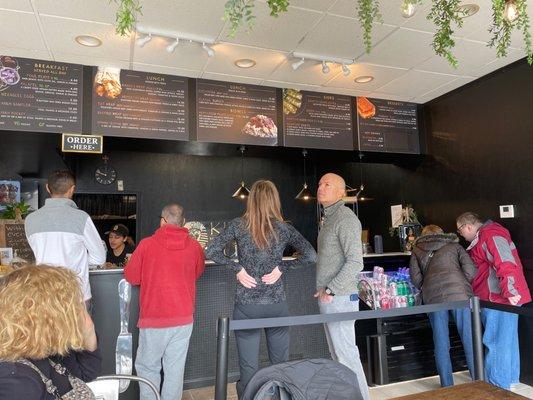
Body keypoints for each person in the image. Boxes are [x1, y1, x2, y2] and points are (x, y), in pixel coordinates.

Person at [205, 180, 317, 399]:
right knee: (281, 365)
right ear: (274, 200)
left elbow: (211, 250)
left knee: (248, 368)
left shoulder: (239, 225)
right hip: (277, 305)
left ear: (251, 199)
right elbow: (311, 256)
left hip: (247, 307)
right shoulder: (284, 228)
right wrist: (282, 267)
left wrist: (237, 268)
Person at [125, 203, 205, 400]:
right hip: (184, 319)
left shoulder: (146, 244)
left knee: (148, 368)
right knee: (175, 371)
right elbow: (198, 272)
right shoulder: (194, 246)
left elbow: (132, 277)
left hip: (154, 318)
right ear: (183, 222)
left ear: (162, 221)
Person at [0, 265, 102, 399]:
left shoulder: (46, 351)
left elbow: (86, 374)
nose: (78, 311)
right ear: (48, 317)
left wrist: (88, 330)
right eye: (72, 306)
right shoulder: (16, 380)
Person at [456, 212, 531, 390]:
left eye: (460, 231)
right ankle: (509, 382)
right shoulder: (490, 234)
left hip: (498, 298)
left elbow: (505, 261)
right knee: (507, 341)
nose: (461, 236)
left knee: (496, 342)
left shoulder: (490, 234)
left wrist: (510, 290)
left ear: (467, 226)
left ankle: (496, 388)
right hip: (502, 297)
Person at [314, 173, 370, 400]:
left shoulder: (345, 218)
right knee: (338, 355)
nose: (320, 188)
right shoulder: (329, 218)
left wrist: (330, 289)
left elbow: (356, 261)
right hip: (332, 298)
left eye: (327, 184)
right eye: (319, 184)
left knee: (346, 354)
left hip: (340, 298)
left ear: (341, 192)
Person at [25, 170, 106, 311]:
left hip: (44, 294)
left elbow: (38, 253)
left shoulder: (30, 219)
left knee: (48, 333)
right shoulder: (82, 218)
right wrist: (77, 259)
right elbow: (99, 258)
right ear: (72, 189)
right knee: (79, 333)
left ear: (47, 188)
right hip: (77, 295)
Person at [409, 224, 476, 387]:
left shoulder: (417, 250)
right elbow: (471, 269)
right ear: (442, 233)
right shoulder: (454, 245)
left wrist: (427, 285)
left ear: (424, 235)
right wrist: (461, 283)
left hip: (433, 298)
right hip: (459, 295)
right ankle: (479, 378)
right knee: (468, 338)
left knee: (441, 341)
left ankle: (446, 384)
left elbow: (415, 278)